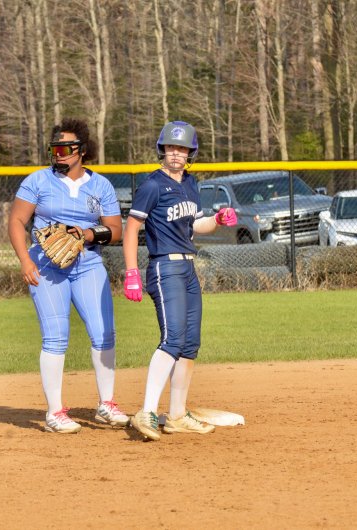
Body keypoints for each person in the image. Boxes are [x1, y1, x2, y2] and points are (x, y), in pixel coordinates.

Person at [8, 118, 129, 434]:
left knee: (104, 333)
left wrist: (89, 234)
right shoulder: (38, 181)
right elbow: (17, 221)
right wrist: (25, 260)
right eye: (55, 148)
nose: (59, 153)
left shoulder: (100, 185)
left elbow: (115, 230)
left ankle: (107, 405)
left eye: (66, 148)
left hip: (88, 265)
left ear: (83, 150)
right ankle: (55, 412)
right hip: (46, 267)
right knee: (55, 336)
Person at [121, 120, 237, 442]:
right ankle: (146, 411)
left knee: (189, 345)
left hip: (188, 269)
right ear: (163, 150)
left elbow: (193, 226)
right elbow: (131, 229)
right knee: (172, 340)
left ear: (190, 154)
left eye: (182, 149)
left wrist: (215, 220)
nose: (176, 153)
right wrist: (131, 272)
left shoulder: (190, 184)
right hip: (164, 268)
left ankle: (176, 415)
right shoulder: (152, 186)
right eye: (171, 148)